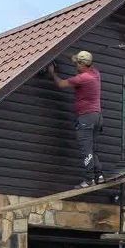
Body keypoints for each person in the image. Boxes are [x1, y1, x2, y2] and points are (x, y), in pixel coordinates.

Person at [49, 50, 104, 187]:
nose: (75, 67)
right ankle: (100, 175)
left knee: (86, 149)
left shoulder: (82, 78)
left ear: (82, 65)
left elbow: (61, 84)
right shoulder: (95, 73)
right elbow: (76, 59)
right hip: (97, 116)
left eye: (77, 65)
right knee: (91, 148)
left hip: (86, 118)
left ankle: (89, 179)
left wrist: (52, 73)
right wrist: (62, 51)